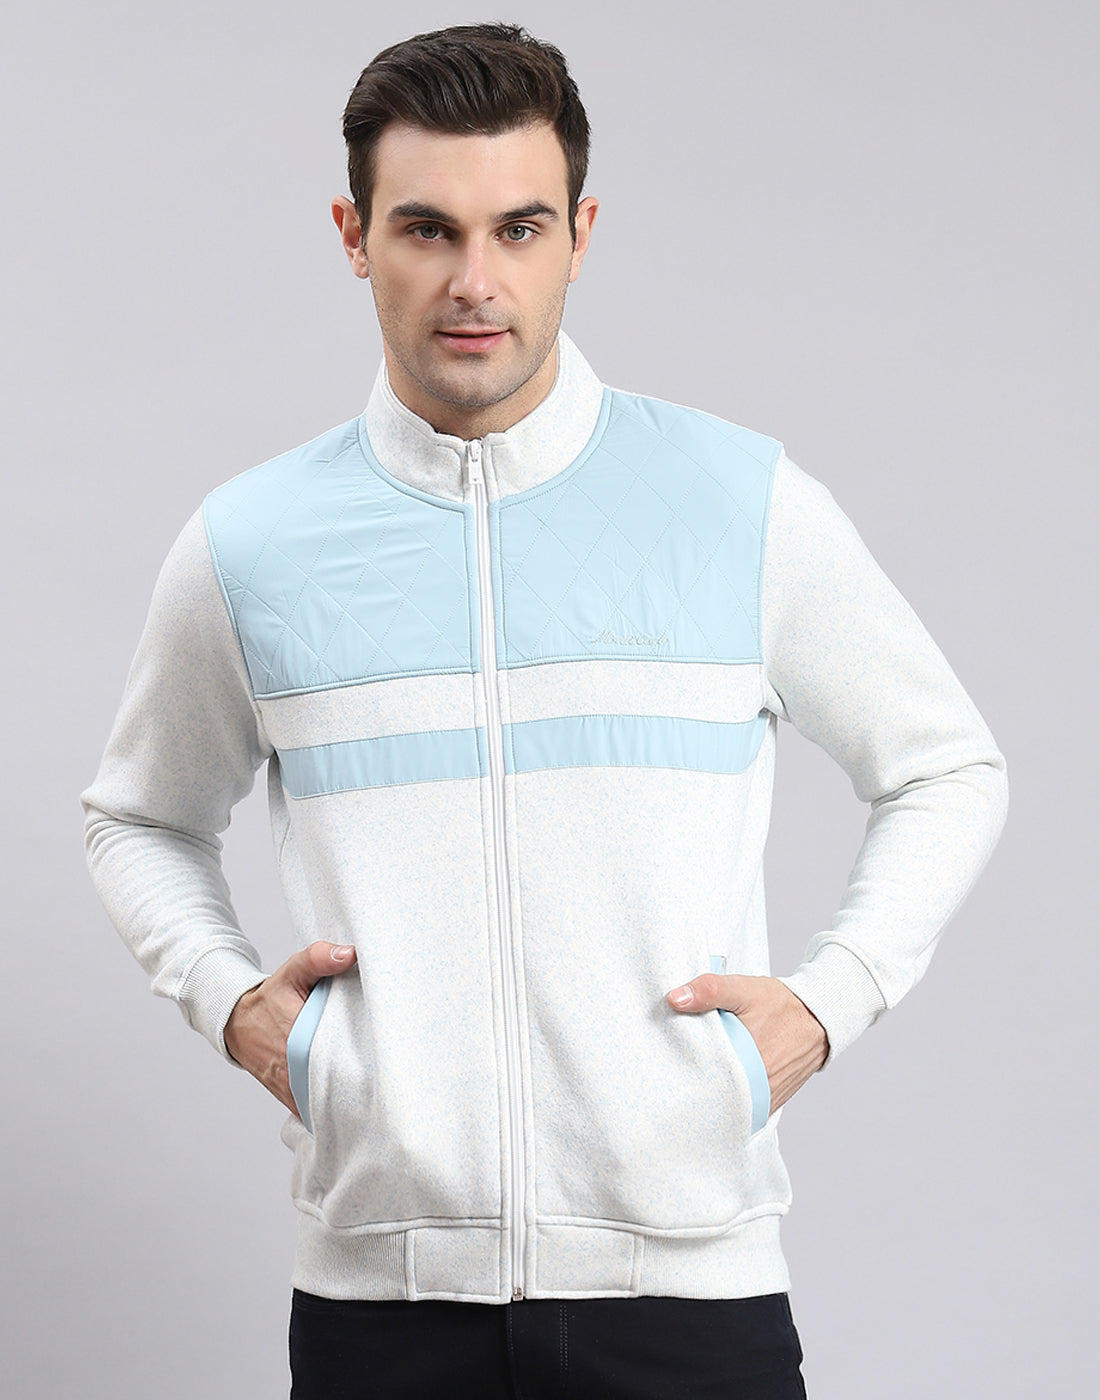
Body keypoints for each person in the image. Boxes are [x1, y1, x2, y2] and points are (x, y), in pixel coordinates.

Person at [82, 22, 1007, 1399]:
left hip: (690, 1293)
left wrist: (827, 1005)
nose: (475, 281)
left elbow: (946, 767)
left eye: (518, 229)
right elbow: (138, 820)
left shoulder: (734, 503)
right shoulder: (251, 545)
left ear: (580, 234)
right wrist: (240, 1012)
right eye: (427, 229)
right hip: (382, 1307)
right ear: (353, 236)